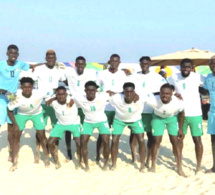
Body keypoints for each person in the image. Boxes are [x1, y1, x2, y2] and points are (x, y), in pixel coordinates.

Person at [0, 44, 43, 161]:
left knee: (12, 127)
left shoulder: (20, 64)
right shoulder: (1, 65)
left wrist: (45, 64)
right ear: (7, 53)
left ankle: (10, 151)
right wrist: (4, 91)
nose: (13, 55)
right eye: (11, 53)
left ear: (18, 54)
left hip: (14, 98)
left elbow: (32, 66)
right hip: (1, 99)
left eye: (15, 53)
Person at [167, 58, 204, 173]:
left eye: (188, 67)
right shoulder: (173, 77)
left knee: (197, 140)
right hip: (179, 114)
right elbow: (166, 88)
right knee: (179, 139)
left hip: (195, 114)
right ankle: (179, 164)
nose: (186, 69)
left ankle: (198, 166)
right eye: (184, 66)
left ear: (192, 67)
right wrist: (174, 94)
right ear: (180, 66)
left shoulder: (198, 76)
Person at [129, 56, 166, 166]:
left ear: (150, 64)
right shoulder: (134, 76)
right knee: (134, 134)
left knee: (150, 135)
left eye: (146, 63)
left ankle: (148, 158)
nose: (144, 65)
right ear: (140, 64)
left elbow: (164, 90)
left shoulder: (157, 77)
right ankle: (134, 157)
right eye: (142, 63)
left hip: (150, 110)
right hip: (136, 109)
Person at [7, 77, 50, 171]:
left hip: (37, 114)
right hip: (21, 115)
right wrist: (15, 124)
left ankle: (46, 158)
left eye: (29, 87)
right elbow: (9, 110)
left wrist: (51, 99)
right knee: (16, 137)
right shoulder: (15, 97)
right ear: (21, 87)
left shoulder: (39, 93)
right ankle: (14, 162)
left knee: (42, 136)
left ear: (33, 87)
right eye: (25, 87)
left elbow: (52, 92)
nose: (27, 89)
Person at [32, 50, 66, 161]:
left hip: (55, 105)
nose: (51, 60)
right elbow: (29, 80)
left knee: (56, 128)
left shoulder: (59, 71)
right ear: (46, 59)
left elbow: (66, 82)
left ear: (55, 59)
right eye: (49, 58)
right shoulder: (39, 69)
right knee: (40, 129)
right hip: (41, 104)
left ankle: (55, 150)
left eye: (53, 58)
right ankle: (37, 152)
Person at [109, 82, 150, 172]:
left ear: (134, 92)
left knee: (141, 140)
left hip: (135, 120)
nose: (129, 94)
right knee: (114, 140)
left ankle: (142, 165)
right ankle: (113, 164)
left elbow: (154, 97)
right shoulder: (116, 98)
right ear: (123, 92)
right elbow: (106, 95)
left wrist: (177, 97)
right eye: (126, 92)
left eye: (131, 92)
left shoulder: (141, 98)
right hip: (119, 120)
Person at [63, 56, 98, 159]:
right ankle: (69, 151)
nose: (80, 66)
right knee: (68, 128)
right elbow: (56, 72)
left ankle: (82, 151)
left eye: (82, 64)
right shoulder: (69, 71)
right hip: (72, 104)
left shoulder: (90, 73)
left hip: (84, 106)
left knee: (83, 130)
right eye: (78, 64)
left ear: (85, 65)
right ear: (75, 64)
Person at [149, 83, 186, 177]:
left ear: (171, 94)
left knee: (175, 141)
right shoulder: (153, 99)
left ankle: (179, 167)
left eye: (167, 93)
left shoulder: (177, 102)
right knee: (156, 141)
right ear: (160, 93)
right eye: (163, 93)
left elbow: (181, 114)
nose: (165, 95)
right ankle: (153, 165)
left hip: (171, 119)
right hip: (158, 118)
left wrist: (181, 129)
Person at [73, 81, 111, 171]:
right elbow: (67, 99)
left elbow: (118, 94)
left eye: (93, 90)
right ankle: (86, 165)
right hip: (88, 122)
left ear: (96, 91)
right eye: (88, 90)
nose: (91, 92)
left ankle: (105, 163)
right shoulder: (79, 98)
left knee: (106, 141)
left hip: (102, 121)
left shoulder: (103, 96)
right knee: (83, 142)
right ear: (85, 91)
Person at [96, 54, 127, 162]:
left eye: (116, 61)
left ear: (119, 62)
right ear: (109, 61)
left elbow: (126, 90)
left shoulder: (123, 74)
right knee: (103, 133)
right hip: (105, 108)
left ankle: (112, 156)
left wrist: (115, 93)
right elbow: (96, 88)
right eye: (112, 61)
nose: (114, 63)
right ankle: (98, 155)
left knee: (115, 135)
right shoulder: (102, 74)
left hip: (118, 108)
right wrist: (104, 93)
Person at [47, 86, 81, 169]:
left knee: (79, 143)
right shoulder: (54, 103)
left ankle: (79, 161)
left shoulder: (72, 100)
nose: (61, 96)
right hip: (61, 124)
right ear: (56, 95)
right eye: (59, 94)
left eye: (63, 94)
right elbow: (47, 102)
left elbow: (79, 98)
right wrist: (55, 97)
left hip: (74, 123)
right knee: (50, 142)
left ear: (66, 94)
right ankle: (56, 161)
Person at [204, 56, 215, 173]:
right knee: (213, 140)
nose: (214, 66)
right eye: (212, 64)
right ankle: (214, 166)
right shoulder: (208, 77)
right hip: (213, 112)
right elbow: (205, 91)